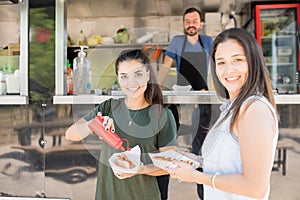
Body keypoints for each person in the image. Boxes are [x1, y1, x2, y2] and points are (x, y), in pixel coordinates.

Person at [166, 28, 279, 200]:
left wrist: (195, 176)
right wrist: (195, 161)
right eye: (221, 62)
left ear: (253, 61)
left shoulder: (254, 110)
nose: (228, 69)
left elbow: (256, 188)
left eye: (237, 60)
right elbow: (231, 163)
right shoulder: (232, 107)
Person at [65, 49, 178, 200]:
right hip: (107, 194)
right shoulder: (108, 107)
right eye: (124, 76)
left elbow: (170, 164)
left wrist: (140, 169)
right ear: (118, 79)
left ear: (147, 75)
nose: (131, 83)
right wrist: (94, 124)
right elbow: (70, 134)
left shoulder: (162, 116)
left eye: (137, 74)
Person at [157, 7, 213, 199]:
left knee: (201, 146)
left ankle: (203, 191)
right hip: (181, 97)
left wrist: (214, 92)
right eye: (187, 20)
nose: (191, 23)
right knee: (171, 143)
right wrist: (157, 88)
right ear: (183, 24)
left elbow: (215, 67)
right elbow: (166, 66)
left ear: (201, 24)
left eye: (194, 20)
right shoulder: (177, 41)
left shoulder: (208, 42)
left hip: (204, 99)